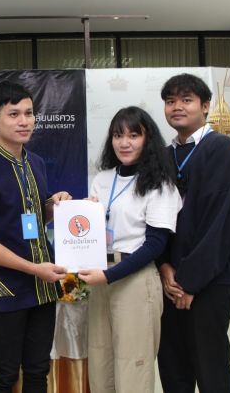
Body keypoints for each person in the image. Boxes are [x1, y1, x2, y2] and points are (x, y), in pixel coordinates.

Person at [0, 80, 71, 393]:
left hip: (44, 288)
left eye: (29, 113)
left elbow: (31, 218)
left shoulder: (35, 162)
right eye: (14, 114)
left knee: (38, 371)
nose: (24, 121)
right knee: (5, 373)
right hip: (7, 289)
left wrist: (54, 205)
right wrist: (33, 268)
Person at [156, 73, 230, 393]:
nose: (177, 107)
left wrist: (190, 281)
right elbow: (156, 220)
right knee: (173, 367)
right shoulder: (165, 155)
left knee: (210, 367)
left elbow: (220, 224)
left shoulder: (221, 149)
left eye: (187, 100)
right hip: (171, 281)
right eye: (171, 101)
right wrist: (165, 267)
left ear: (206, 106)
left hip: (211, 280)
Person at [78, 106, 182, 393]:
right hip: (100, 276)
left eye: (134, 135)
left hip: (134, 279)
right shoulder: (102, 179)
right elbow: (89, 231)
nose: (124, 143)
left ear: (148, 139)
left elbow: (155, 245)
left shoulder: (159, 184)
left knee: (133, 367)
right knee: (100, 364)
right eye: (118, 135)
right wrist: (78, 212)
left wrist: (108, 276)